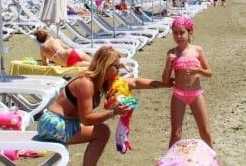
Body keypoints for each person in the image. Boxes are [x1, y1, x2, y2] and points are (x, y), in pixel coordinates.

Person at [36, 46, 167, 166]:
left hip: (64, 122)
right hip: (53, 124)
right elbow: (86, 119)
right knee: (102, 132)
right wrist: (113, 113)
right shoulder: (85, 83)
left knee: (102, 130)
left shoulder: (102, 81)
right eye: (116, 66)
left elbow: (134, 82)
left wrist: (165, 84)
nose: (119, 69)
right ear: (106, 66)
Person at [163, 16, 213, 148]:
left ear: (190, 33)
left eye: (182, 32)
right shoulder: (171, 53)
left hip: (196, 94)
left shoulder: (197, 50)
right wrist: (168, 65)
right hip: (178, 95)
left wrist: (200, 71)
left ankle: (213, 160)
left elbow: (209, 72)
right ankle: (169, 161)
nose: (178, 36)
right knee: (176, 134)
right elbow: (165, 81)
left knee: (205, 132)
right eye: (175, 33)